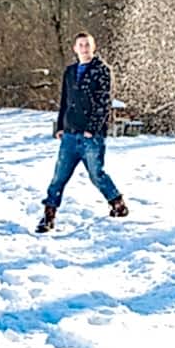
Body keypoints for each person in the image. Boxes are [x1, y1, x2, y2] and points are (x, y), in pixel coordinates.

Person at [36, 32, 128, 233]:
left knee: (97, 175)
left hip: (90, 136)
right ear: (75, 48)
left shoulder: (102, 70)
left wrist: (92, 129)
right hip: (69, 134)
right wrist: (60, 126)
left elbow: (104, 102)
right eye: (81, 45)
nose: (84, 48)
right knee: (59, 177)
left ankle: (118, 204)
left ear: (93, 48)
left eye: (87, 45)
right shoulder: (69, 72)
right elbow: (64, 101)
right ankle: (49, 216)